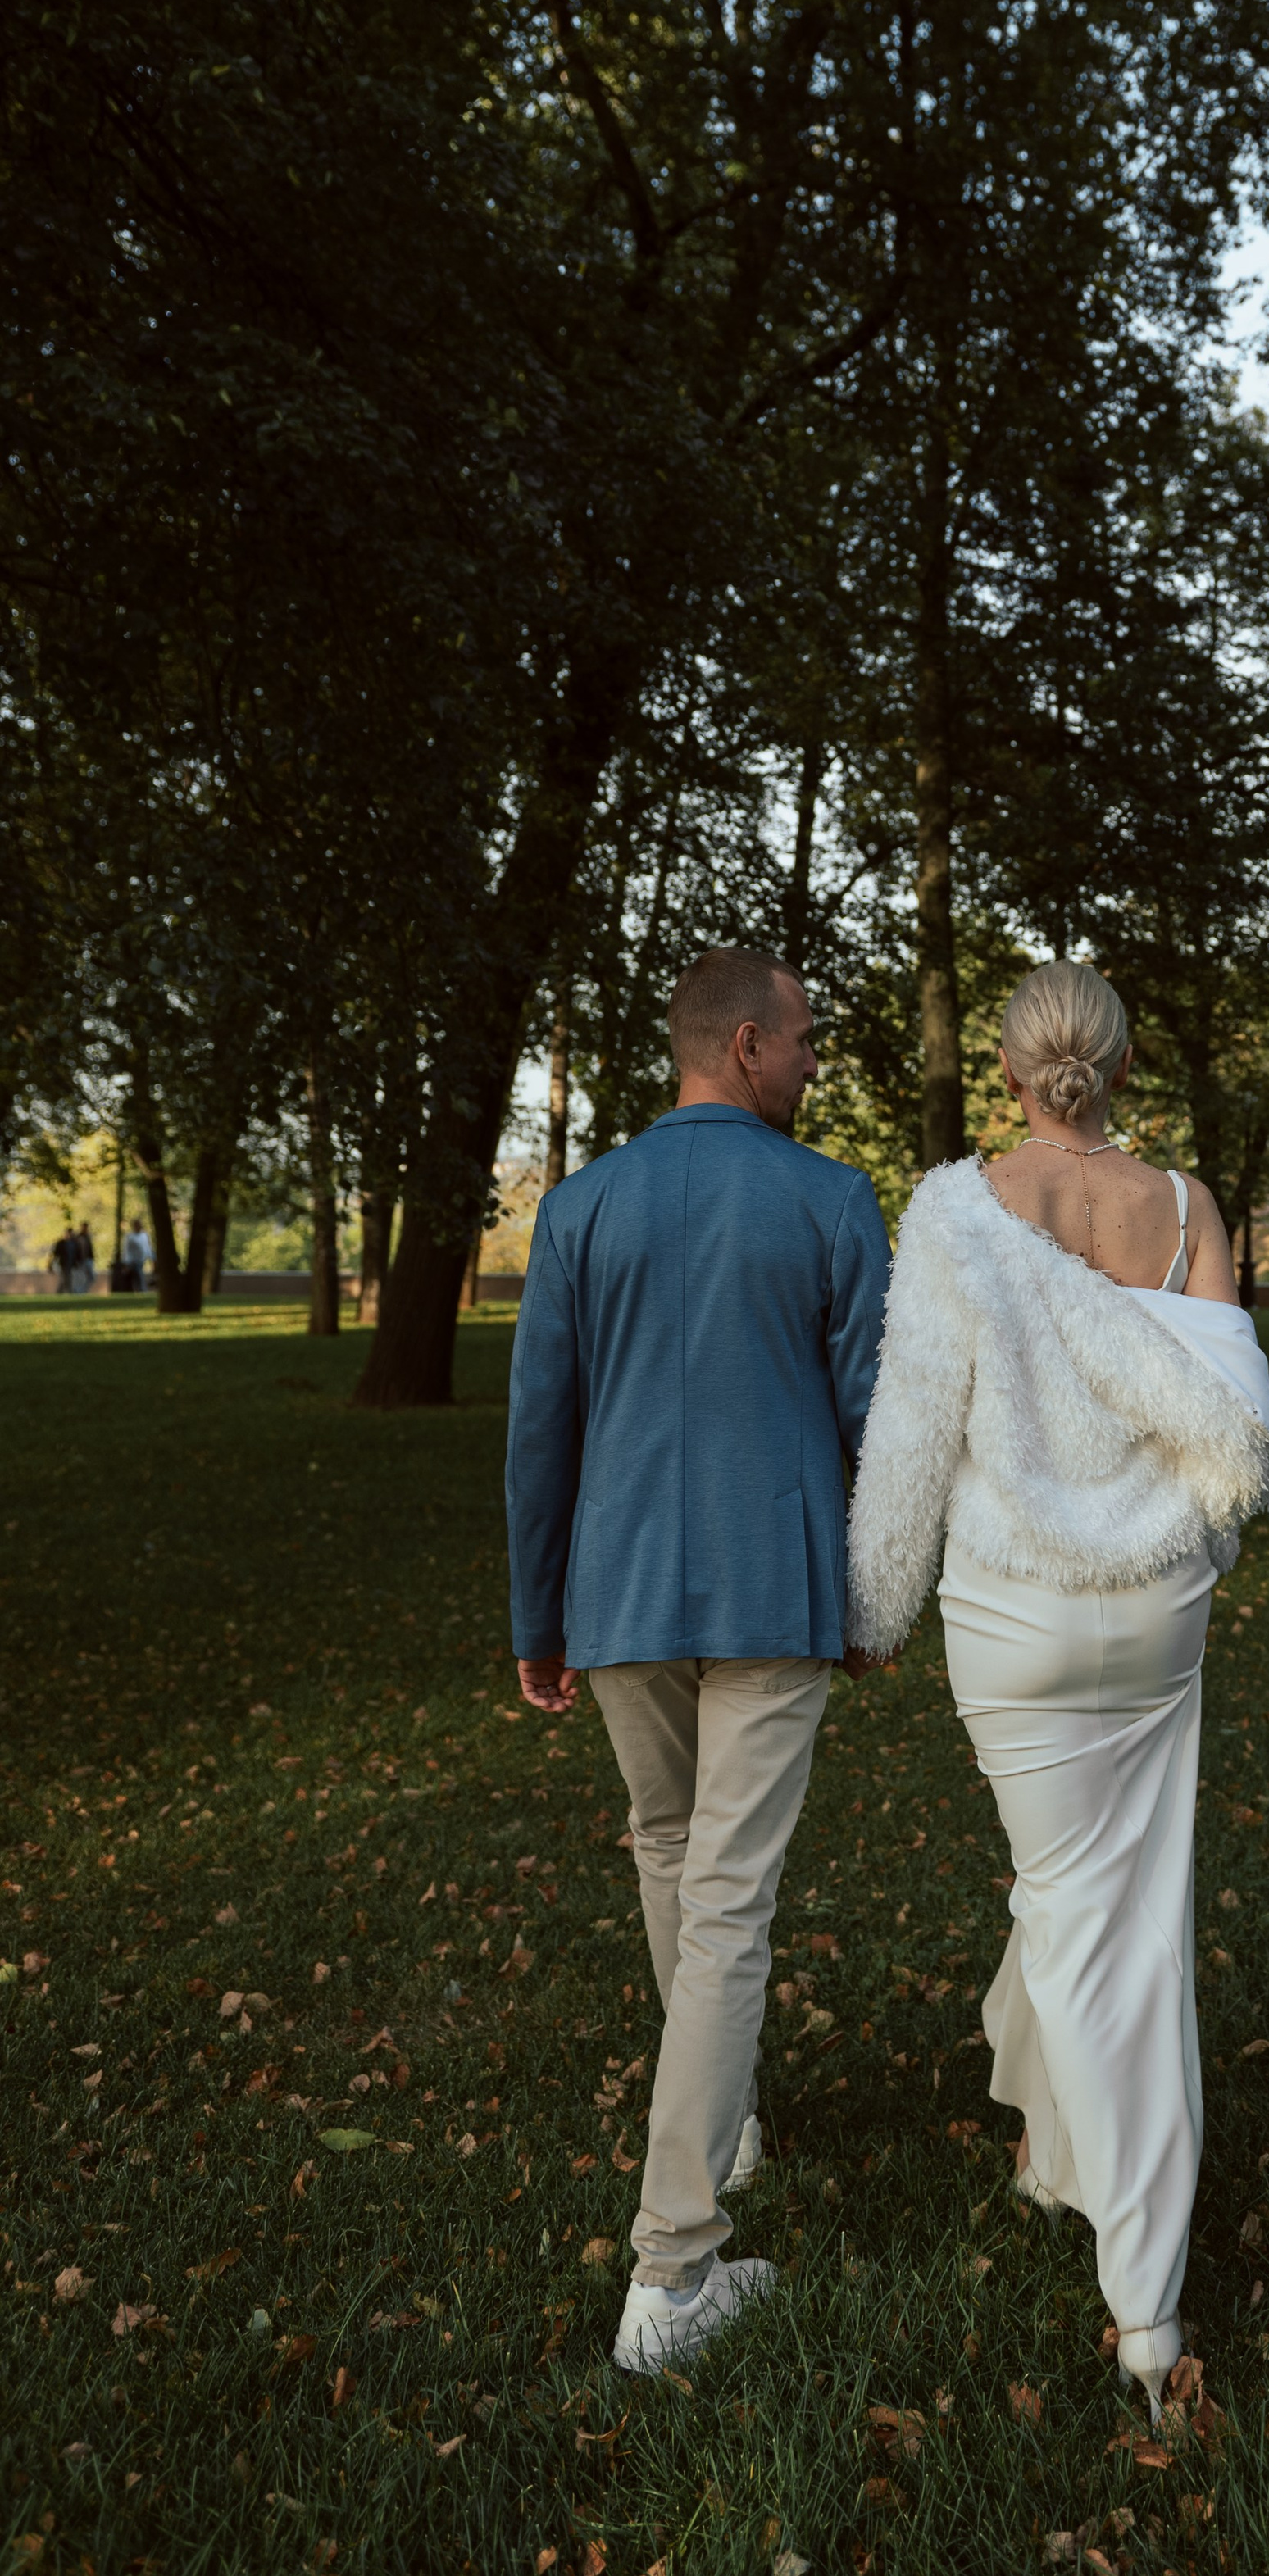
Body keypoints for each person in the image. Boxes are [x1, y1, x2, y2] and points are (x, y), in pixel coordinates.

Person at [845, 960, 1269, 2423]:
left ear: (1013, 1075)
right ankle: (1047, 2154)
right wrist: (1183, 1550)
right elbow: (1240, 1436)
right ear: (1124, 1064)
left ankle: (1147, 2309)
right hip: (1156, 1611)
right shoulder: (1189, 1209)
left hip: (1011, 1615)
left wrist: (870, 1606)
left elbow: (914, 1427)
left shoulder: (960, 1206)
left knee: (1084, 1917)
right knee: (1103, 1900)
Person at [506, 947, 890, 2378]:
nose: (812, 1065)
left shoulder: (581, 1204)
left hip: (614, 1592)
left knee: (672, 1852)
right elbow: (874, 1426)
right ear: (743, 1046)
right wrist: (873, 1594)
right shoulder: (831, 1199)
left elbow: (540, 1427)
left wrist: (538, 1614)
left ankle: (723, 2125)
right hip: (773, 1588)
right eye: (801, 1044)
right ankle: (674, 2270)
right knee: (724, 1897)